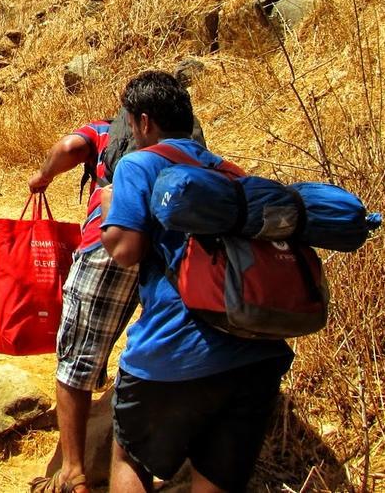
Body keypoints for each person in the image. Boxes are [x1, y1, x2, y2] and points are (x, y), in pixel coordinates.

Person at [101, 71, 292, 493]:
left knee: (129, 456)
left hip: (173, 351)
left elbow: (125, 249)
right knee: (216, 478)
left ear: (144, 122)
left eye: (131, 124)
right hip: (255, 354)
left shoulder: (140, 163)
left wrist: (108, 207)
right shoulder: (230, 172)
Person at [26, 121, 137, 493]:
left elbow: (70, 148)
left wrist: (42, 176)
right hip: (163, 248)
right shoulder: (173, 143)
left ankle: (73, 473)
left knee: (74, 356)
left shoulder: (105, 131)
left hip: (107, 241)